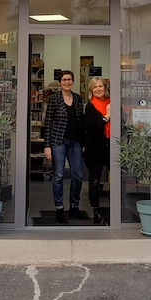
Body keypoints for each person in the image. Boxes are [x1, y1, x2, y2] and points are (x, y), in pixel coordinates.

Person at [43, 70, 87, 224]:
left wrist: (83, 142)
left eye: (69, 79)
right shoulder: (54, 99)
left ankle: (74, 207)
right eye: (64, 79)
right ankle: (59, 209)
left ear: (73, 81)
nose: (67, 82)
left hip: (76, 142)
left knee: (78, 175)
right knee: (59, 176)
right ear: (60, 82)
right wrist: (47, 146)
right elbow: (48, 122)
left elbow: (81, 123)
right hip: (58, 141)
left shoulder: (78, 99)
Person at [83, 76, 111, 224]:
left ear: (105, 88)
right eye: (95, 87)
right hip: (95, 147)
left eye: (101, 86)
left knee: (118, 177)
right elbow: (92, 129)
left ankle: (119, 208)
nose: (98, 89)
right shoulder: (90, 107)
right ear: (91, 90)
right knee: (94, 180)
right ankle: (96, 211)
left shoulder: (112, 103)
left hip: (111, 145)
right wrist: (106, 116)